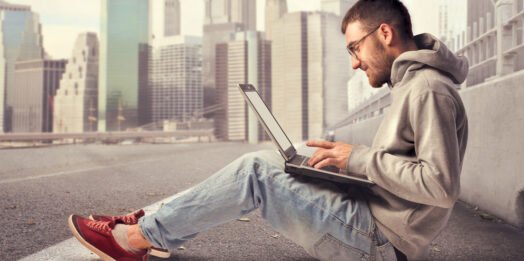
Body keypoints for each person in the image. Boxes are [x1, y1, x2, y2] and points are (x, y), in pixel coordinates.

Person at [68, 0, 469, 260]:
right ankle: (150, 225)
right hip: (378, 221)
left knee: (254, 173)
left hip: (381, 241)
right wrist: (341, 169)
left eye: (354, 48)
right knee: (276, 158)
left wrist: (356, 158)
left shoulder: (428, 90)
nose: (354, 63)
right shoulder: (415, 86)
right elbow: (403, 172)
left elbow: (440, 184)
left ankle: (136, 239)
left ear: (384, 33)